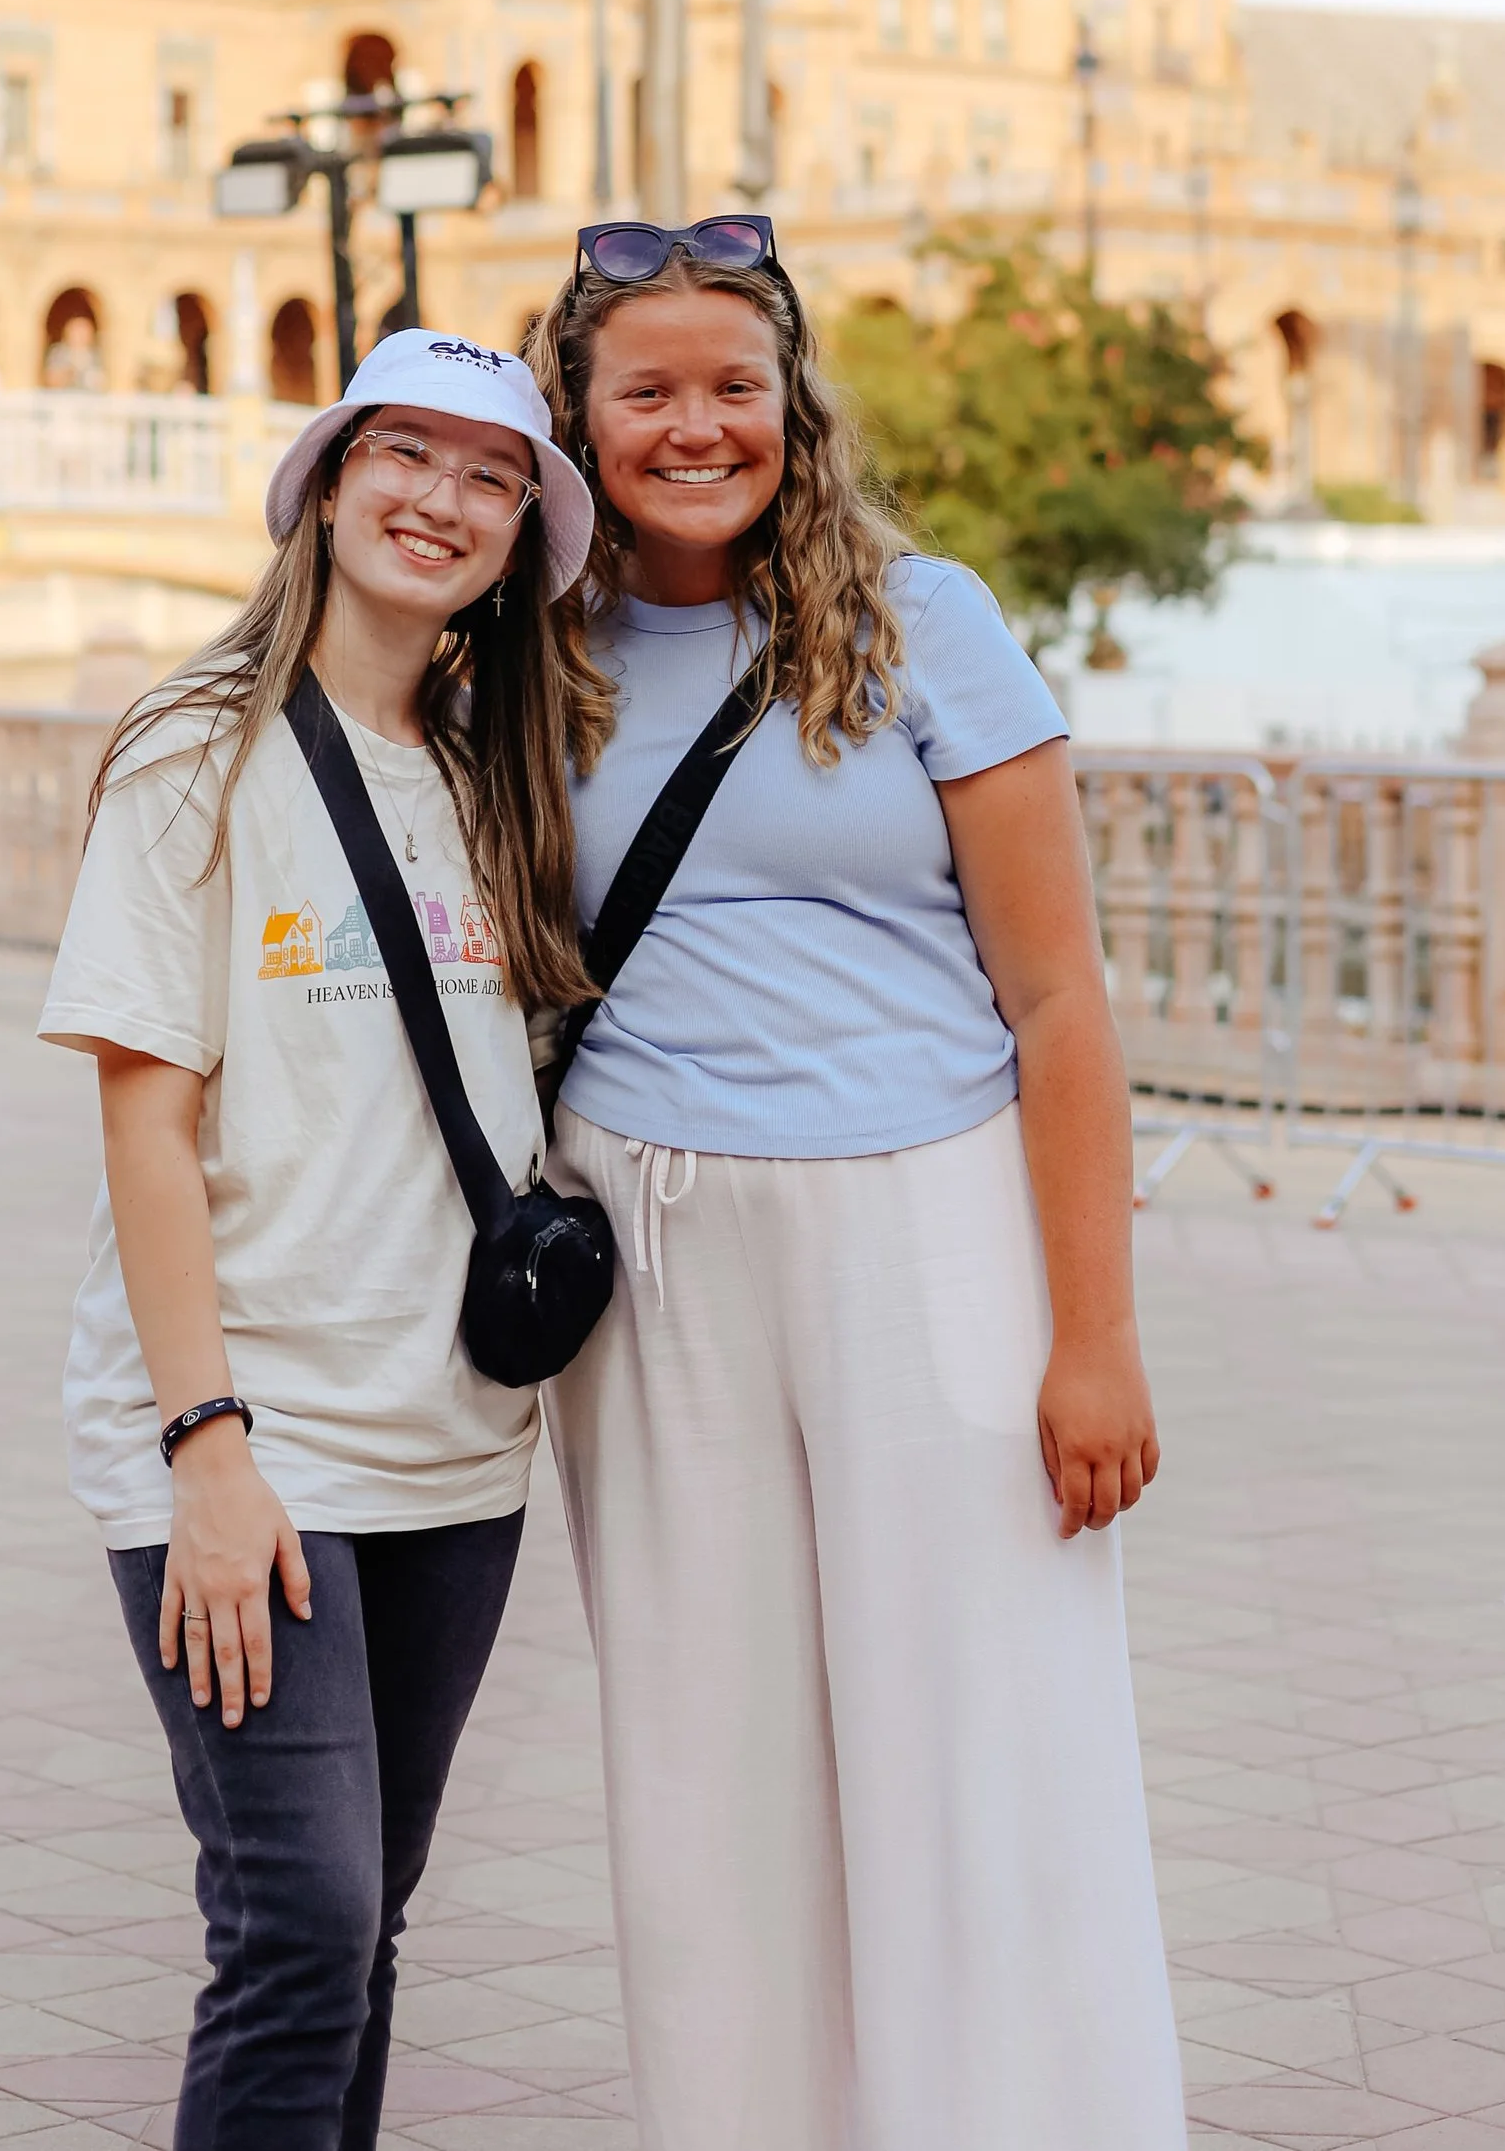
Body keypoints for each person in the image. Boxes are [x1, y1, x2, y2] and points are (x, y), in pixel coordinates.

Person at [528, 216, 1187, 2151]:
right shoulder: (528, 652)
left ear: (793, 406)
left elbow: (1059, 999)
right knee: (705, 1771)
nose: (696, 425)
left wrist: (1100, 1339)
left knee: (983, 1743)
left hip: (926, 1222)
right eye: (646, 389)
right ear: (581, 416)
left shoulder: (926, 620)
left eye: (735, 384)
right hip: (652, 1247)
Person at [38, 327, 599, 2151]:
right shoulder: (197, 751)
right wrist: (204, 1449)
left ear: (521, 531)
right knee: (299, 1918)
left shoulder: (493, 772)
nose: (442, 499)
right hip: (248, 1437)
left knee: (364, 1935)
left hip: (452, 1448)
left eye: (491, 474)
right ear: (332, 478)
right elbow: (146, 1116)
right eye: (409, 455)